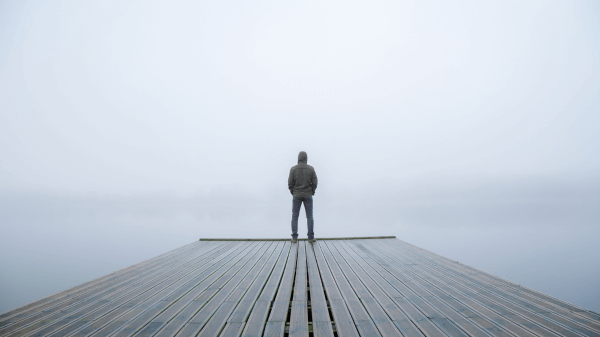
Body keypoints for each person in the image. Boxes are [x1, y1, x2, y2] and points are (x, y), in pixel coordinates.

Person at [288, 151, 318, 243]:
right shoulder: (311, 169)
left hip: (297, 195)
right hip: (308, 194)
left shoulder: (293, 169)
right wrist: (312, 191)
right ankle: (311, 237)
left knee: (294, 216)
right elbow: (315, 182)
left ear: (298, 158)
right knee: (309, 216)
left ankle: (294, 237)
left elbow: (290, 183)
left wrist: (293, 192)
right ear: (306, 158)